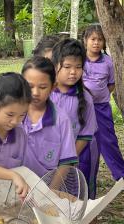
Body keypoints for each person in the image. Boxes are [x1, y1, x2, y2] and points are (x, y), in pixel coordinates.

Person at [50, 38, 98, 198]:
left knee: (77, 198)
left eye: (78, 67)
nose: (73, 72)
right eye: (67, 67)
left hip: (77, 156)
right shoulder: (46, 94)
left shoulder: (85, 98)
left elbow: (85, 135)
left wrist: (69, 157)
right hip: (48, 156)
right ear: (55, 65)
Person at [21, 56, 77, 177]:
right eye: (30, 86)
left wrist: (51, 190)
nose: (35, 93)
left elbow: (66, 162)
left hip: (48, 187)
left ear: (53, 87)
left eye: (42, 87)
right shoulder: (12, 116)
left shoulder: (61, 119)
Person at [82, 24, 124, 182]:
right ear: (85, 40)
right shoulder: (79, 59)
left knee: (108, 140)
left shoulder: (108, 62)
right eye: (93, 39)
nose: (96, 42)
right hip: (82, 108)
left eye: (100, 39)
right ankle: (82, 176)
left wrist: (102, 95)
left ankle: (120, 174)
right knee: (84, 142)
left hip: (101, 108)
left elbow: (111, 84)